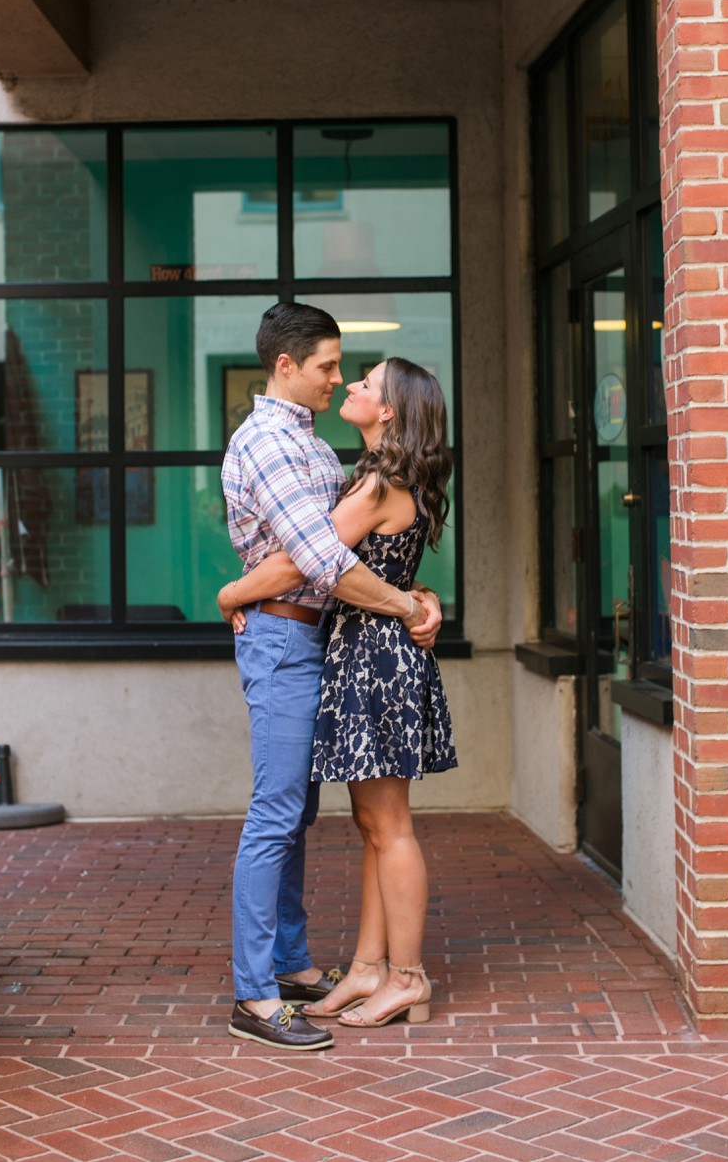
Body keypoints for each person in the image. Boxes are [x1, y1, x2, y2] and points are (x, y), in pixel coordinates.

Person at [220, 304, 442, 1052]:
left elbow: (372, 548)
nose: (338, 378)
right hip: (289, 634)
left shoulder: (322, 448)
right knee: (279, 814)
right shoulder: (273, 443)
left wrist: (413, 598)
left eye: (353, 373)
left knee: (309, 817)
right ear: (286, 366)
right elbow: (314, 558)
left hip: (338, 643)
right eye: (328, 367)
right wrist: (237, 592)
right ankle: (254, 994)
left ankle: (295, 965)